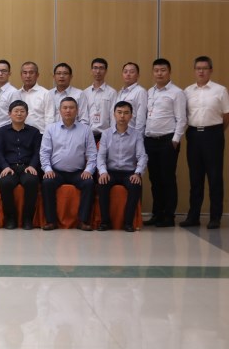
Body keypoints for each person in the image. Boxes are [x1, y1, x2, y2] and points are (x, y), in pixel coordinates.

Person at [181, 56, 229, 229]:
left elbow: (226, 115)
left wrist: (216, 132)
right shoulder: (187, 91)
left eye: (204, 68)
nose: (201, 71)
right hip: (194, 135)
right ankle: (193, 216)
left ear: (211, 70)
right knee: (195, 177)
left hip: (213, 134)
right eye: (198, 68)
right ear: (194, 70)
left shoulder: (220, 90)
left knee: (214, 177)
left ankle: (215, 217)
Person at [40, 97, 97, 231]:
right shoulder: (51, 129)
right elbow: (44, 153)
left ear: (77, 111)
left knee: (89, 183)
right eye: (65, 108)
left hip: (78, 172)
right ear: (59, 111)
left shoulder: (86, 130)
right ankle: (51, 221)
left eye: (71, 108)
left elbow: (92, 154)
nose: (68, 111)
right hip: (56, 172)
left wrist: (88, 170)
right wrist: (47, 169)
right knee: (47, 182)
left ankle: (83, 221)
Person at [143, 58, 186, 228]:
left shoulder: (177, 92)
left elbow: (182, 119)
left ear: (169, 72)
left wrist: (175, 140)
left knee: (167, 178)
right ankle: (157, 214)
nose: (159, 73)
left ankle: (169, 216)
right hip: (150, 141)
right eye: (156, 70)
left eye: (163, 70)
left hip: (167, 141)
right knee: (154, 179)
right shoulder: (149, 92)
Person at [96, 101, 147, 232]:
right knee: (102, 184)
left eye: (126, 113)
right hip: (110, 172)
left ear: (131, 116)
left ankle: (128, 223)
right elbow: (101, 156)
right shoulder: (106, 134)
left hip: (129, 172)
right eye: (119, 112)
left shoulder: (136, 135)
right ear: (114, 114)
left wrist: (137, 173)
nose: (122, 116)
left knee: (135, 185)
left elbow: (142, 156)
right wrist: (103, 172)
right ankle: (105, 222)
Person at [0, 100, 41, 230]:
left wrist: (32, 165)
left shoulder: (34, 132)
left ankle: (27, 219)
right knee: (6, 182)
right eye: (16, 111)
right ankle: (10, 218)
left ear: (27, 114)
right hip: (9, 167)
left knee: (31, 181)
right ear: (9, 114)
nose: (19, 114)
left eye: (22, 111)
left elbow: (38, 152)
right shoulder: (1, 132)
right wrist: (5, 166)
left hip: (27, 167)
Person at [84, 58, 118, 143]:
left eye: (101, 68)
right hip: (88, 135)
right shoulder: (85, 92)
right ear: (91, 71)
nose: (98, 71)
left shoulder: (112, 92)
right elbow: (83, 115)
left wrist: (112, 136)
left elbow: (113, 117)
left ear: (106, 71)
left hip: (105, 135)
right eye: (95, 68)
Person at [17, 61, 48, 134]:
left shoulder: (45, 93)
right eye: (25, 73)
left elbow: (49, 118)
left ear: (37, 75)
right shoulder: (17, 94)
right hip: (19, 134)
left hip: (40, 134)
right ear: (21, 75)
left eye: (31, 73)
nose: (28, 76)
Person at [117, 62, 147, 135]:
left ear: (138, 75)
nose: (128, 74)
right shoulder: (120, 92)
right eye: (125, 72)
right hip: (118, 133)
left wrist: (138, 137)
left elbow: (141, 118)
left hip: (132, 134)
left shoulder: (140, 91)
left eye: (132, 72)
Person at [0, 60, 19, 129]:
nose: (0, 73)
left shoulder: (13, 92)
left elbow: (16, 116)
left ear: (9, 73)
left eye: (4, 71)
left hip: (8, 130)